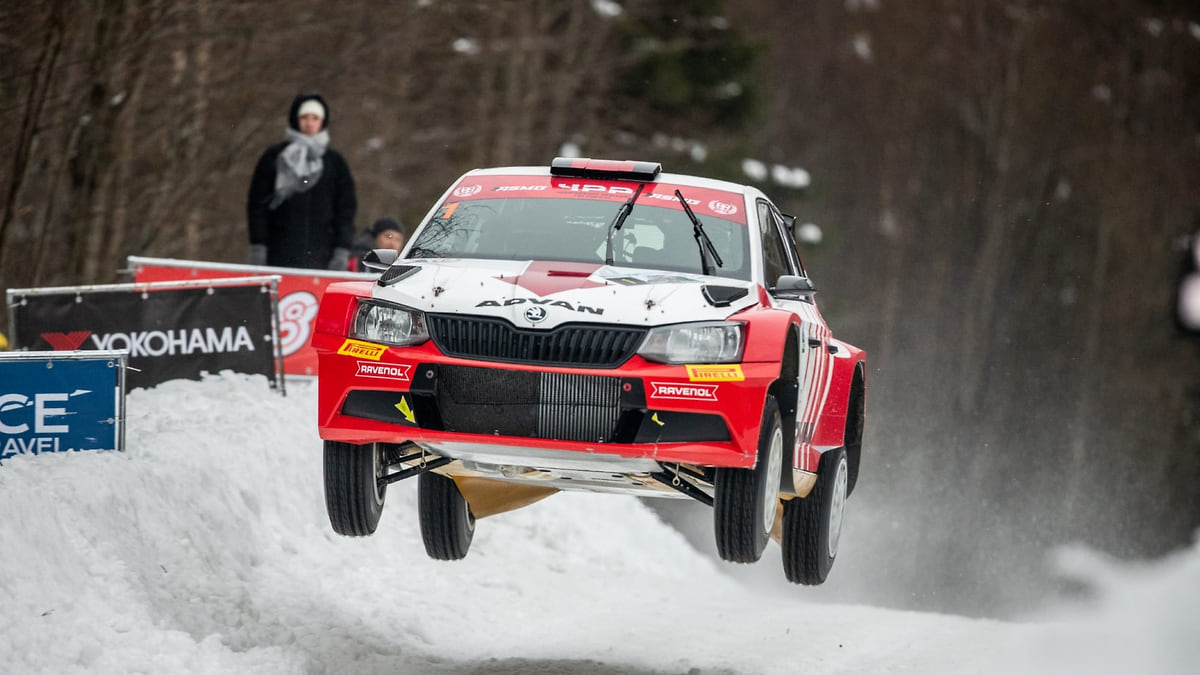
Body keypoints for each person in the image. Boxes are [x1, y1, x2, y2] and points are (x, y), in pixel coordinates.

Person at [246, 93, 357, 270]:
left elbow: (345, 210)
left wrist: (341, 249)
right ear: (295, 119)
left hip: (322, 255)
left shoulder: (335, 162)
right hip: (278, 252)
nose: (309, 123)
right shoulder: (274, 157)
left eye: (315, 118)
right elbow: (258, 205)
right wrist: (258, 245)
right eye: (304, 117)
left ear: (323, 121)